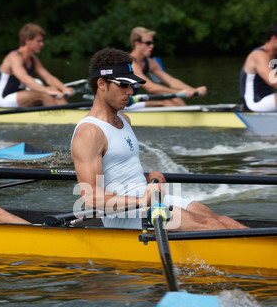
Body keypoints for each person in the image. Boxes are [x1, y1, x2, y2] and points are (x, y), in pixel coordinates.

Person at [71, 47, 246, 231]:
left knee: (223, 220)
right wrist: (141, 200)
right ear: (101, 83)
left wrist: (146, 177)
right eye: (124, 85)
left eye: (132, 85)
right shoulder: (89, 132)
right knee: (209, 225)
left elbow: (118, 170)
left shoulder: (124, 119)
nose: (130, 92)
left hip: (149, 201)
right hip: (124, 214)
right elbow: (91, 198)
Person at [0, 23, 75, 108]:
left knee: (54, 90)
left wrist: (63, 89)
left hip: (19, 96)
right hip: (3, 98)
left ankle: (68, 114)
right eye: (38, 41)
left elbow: (49, 78)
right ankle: (56, 118)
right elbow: (24, 79)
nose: (42, 44)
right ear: (27, 41)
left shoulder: (33, 59)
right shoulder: (14, 57)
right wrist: (46, 90)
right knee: (44, 93)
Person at [129, 27, 207, 107]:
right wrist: (178, 92)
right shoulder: (129, 63)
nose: (152, 46)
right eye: (148, 43)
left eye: (152, 43)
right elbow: (151, 87)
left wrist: (193, 90)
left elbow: (171, 81)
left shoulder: (151, 63)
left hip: (130, 100)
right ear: (137, 44)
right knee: (167, 102)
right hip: (119, 104)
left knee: (176, 99)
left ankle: (188, 117)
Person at [240, 21, 277, 112]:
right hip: (254, 103)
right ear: (274, 39)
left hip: (268, 101)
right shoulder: (258, 55)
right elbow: (272, 81)